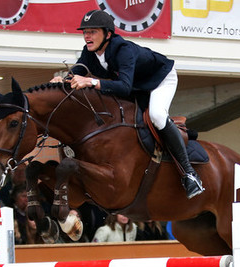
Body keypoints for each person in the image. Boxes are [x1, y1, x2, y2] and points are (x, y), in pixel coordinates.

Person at [52, 9, 204, 199]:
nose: (87, 36)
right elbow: (78, 70)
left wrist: (90, 82)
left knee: (156, 115)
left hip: (160, 79)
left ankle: (189, 174)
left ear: (108, 34)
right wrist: (63, 80)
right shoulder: (88, 52)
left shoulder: (123, 50)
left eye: (92, 32)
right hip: (137, 86)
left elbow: (123, 87)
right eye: (85, 32)